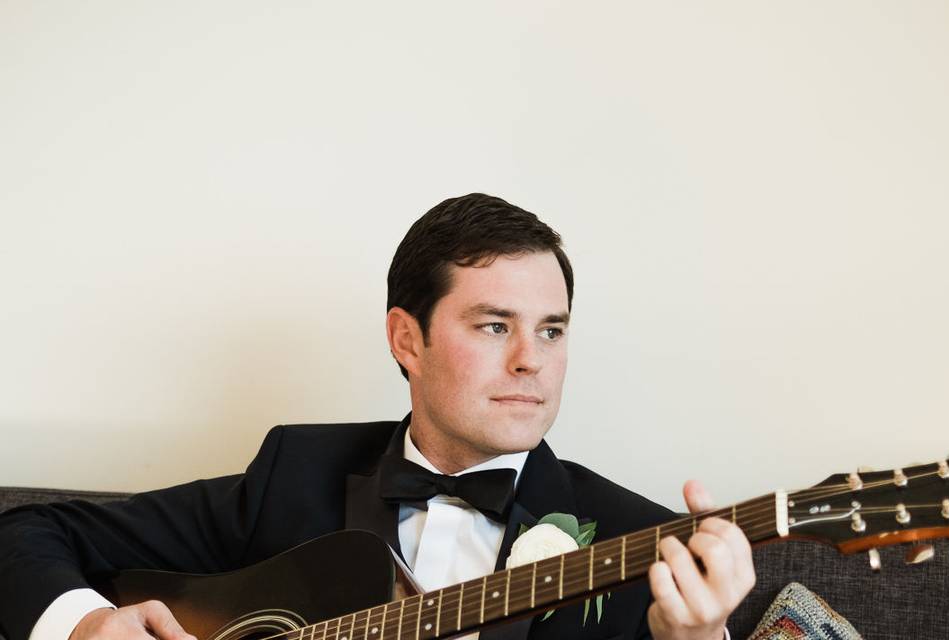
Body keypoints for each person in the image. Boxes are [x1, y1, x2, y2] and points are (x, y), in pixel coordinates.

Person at [0, 194, 755, 640]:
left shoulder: (648, 547)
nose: (533, 359)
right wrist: (84, 625)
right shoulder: (292, 474)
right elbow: (25, 533)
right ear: (407, 338)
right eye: (495, 326)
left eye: (552, 329)